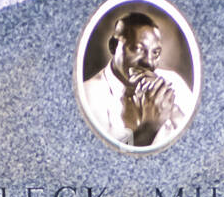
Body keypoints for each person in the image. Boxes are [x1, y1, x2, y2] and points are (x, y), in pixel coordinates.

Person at [82, 12, 194, 148]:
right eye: (138, 49)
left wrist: (173, 111)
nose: (148, 62)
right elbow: (104, 161)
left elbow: (198, 141)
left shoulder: (173, 81)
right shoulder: (89, 95)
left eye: (155, 52)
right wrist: (150, 127)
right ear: (113, 46)